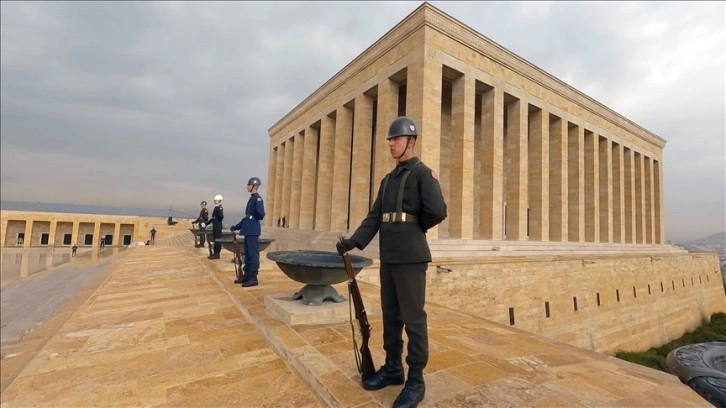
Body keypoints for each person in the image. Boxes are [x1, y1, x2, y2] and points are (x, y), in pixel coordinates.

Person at [336, 116, 447, 408]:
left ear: (410, 142)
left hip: (411, 256)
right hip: (390, 256)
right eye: (389, 139)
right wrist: (353, 242)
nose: (390, 143)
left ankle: (416, 379)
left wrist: (413, 228)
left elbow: (437, 210)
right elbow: (374, 216)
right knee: (391, 314)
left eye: (395, 139)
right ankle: (394, 367)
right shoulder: (388, 180)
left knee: (413, 318)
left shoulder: (424, 174)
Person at [230, 177, 266, 287]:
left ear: (254, 186)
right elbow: (246, 217)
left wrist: (253, 219)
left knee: (253, 254)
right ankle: (247, 274)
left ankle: (253, 277)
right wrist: (236, 227)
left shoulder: (257, 199)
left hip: (253, 230)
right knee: (248, 254)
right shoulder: (252, 199)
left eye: (248, 185)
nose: (247, 186)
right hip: (248, 230)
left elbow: (261, 214)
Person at [207, 194, 224, 259]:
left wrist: (216, 219)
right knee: (215, 239)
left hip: (217, 226)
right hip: (215, 225)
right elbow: (213, 218)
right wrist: (206, 224)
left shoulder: (219, 208)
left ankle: (217, 253)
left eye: (215, 200)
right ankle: (215, 253)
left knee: (217, 240)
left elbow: (221, 216)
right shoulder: (216, 207)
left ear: (219, 201)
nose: (214, 201)